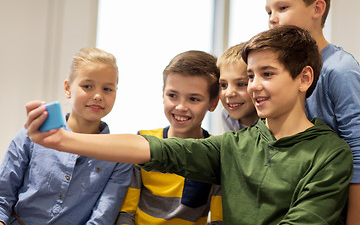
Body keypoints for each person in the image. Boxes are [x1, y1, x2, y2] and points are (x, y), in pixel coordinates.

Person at [25, 26, 353, 224]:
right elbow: (153, 149)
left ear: (304, 78)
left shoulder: (329, 154)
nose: (253, 86)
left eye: (267, 74)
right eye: (251, 75)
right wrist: (62, 140)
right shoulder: (235, 145)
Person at [0, 48, 133, 225]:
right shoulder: (33, 135)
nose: (98, 96)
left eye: (108, 89)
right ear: (67, 88)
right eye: (87, 86)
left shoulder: (119, 156)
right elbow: (3, 195)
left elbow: (102, 218)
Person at [265, 0, 360, 223]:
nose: (272, 19)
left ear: (317, 9)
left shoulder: (340, 69)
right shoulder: (283, 72)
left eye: (282, 7)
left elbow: (357, 151)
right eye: (268, 11)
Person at [115, 50, 222, 225]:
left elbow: (218, 221)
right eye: (172, 95)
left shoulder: (216, 153)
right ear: (162, 93)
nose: (180, 107)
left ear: (213, 103)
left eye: (194, 99)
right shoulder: (143, 142)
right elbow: (126, 213)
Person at [217, 43, 258, 132]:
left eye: (241, 84)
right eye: (224, 85)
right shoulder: (226, 115)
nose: (229, 93)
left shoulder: (271, 121)